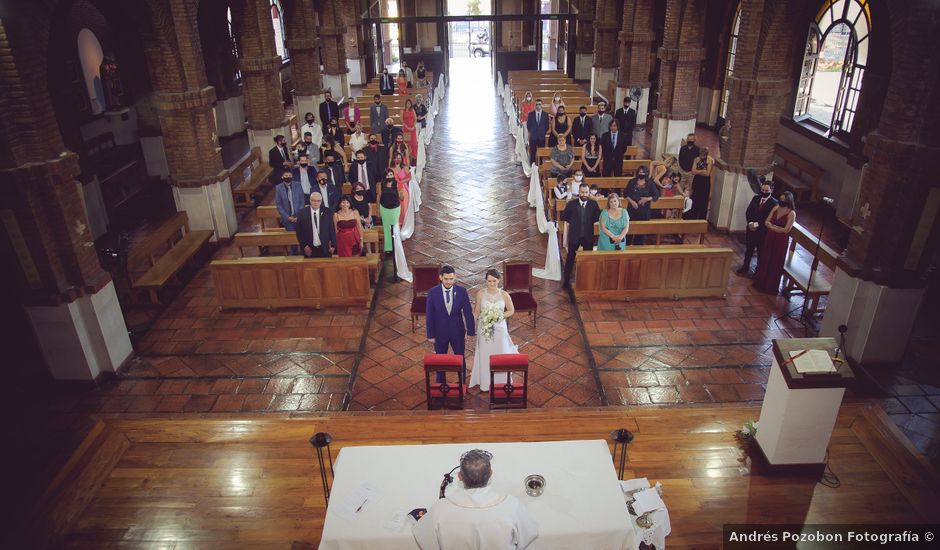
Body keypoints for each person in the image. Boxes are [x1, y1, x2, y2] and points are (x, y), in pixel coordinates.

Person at [413, 449, 539, 550]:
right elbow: (528, 534)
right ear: (490, 474)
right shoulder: (512, 506)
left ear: (460, 476)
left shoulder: (440, 509)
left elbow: (424, 538)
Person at [424, 265, 475, 384]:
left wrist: (470, 331)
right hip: (439, 332)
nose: (449, 282)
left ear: (455, 277)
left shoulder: (462, 291)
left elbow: (467, 312)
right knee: (440, 360)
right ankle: (440, 384)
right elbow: (429, 315)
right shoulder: (432, 292)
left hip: (457, 331)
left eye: (451, 279)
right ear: (440, 277)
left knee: (460, 357)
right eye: (446, 279)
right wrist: (430, 335)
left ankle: (462, 383)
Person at [469, 269, 518, 392]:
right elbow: (476, 311)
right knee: (486, 353)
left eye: (494, 281)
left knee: (500, 352)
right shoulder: (481, 293)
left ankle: (501, 381)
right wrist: (469, 324)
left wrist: (499, 315)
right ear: (486, 281)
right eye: (489, 281)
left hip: (500, 329)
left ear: (499, 280)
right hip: (484, 328)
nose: (491, 284)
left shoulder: (504, 295)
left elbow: (511, 310)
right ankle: (485, 381)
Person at [753, 191, 796, 294]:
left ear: (789, 201)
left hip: (780, 240)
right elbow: (766, 222)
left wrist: (773, 227)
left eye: (784, 201)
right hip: (770, 237)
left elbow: (786, 230)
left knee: (775, 261)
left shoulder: (791, 213)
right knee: (766, 258)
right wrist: (774, 227)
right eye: (780, 200)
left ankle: (770, 287)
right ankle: (760, 284)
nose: (781, 202)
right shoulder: (776, 208)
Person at [560, 183, 601, 289]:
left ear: (589, 192)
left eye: (586, 192)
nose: (584, 194)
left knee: (588, 258)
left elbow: (597, 217)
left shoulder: (593, 204)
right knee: (570, 258)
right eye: (582, 192)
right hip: (574, 235)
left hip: (588, 235)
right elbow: (564, 217)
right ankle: (566, 281)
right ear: (579, 192)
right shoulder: (571, 204)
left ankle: (587, 280)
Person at [738, 180, 778, 276]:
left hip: (762, 232)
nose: (764, 192)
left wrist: (755, 225)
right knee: (749, 250)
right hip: (751, 229)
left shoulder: (774, 203)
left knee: (761, 252)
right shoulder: (756, 198)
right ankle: (745, 267)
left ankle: (758, 271)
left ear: (771, 190)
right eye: (762, 190)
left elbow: (768, 219)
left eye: (766, 191)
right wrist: (750, 223)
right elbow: (748, 212)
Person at [622, 166, 660, 245]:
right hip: (632, 211)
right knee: (628, 232)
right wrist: (632, 202)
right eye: (640, 172)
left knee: (641, 235)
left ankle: (637, 250)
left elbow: (656, 195)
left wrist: (647, 199)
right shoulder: (632, 182)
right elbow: (625, 193)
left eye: (643, 172)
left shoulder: (650, 184)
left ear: (646, 174)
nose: (641, 174)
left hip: (644, 212)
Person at [295, 192, 336, 258]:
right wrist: (304, 246)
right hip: (309, 248)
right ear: (310, 201)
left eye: (318, 201)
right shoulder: (302, 213)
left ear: (321, 201)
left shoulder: (328, 212)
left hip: (325, 248)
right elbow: (299, 232)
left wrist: (333, 245)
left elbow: (332, 230)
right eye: (313, 200)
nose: (316, 203)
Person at [274, 171, 304, 249]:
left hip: (298, 216)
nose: (288, 177)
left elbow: (302, 201)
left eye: (289, 175)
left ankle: (303, 253)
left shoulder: (298, 185)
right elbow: (279, 204)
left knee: (302, 236)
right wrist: (287, 217)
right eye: (286, 175)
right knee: (291, 238)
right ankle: (294, 254)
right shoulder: (278, 188)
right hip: (288, 218)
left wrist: (298, 215)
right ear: (282, 177)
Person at [378, 169, 403, 253]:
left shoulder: (397, 184)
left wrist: (402, 194)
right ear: (385, 176)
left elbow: (401, 197)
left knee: (395, 226)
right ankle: (388, 248)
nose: (389, 177)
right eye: (388, 175)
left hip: (395, 208)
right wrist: (378, 210)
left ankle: (397, 244)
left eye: (391, 175)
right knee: (386, 228)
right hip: (384, 208)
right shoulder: (380, 184)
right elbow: (379, 196)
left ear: (393, 175)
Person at [687, 146, 714, 220]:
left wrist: (698, 171)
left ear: (706, 155)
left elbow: (707, 173)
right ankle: (692, 218)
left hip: (705, 182)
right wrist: (702, 171)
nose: (700, 156)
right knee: (695, 199)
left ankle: (701, 220)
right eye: (700, 155)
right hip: (697, 181)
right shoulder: (696, 159)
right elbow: (693, 171)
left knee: (703, 201)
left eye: (702, 155)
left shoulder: (710, 161)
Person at [526, 99, 549, 165]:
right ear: (535, 105)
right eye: (537, 104)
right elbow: (528, 125)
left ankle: (541, 165)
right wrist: (533, 132)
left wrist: (543, 132)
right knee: (533, 152)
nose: (538, 106)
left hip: (541, 136)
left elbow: (547, 126)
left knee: (541, 152)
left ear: (542, 105)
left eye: (539, 104)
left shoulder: (545, 114)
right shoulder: (531, 114)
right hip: (533, 136)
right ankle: (532, 166)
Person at [390, 152, 411, 225]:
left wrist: (401, 181)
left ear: (402, 159)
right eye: (396, 158)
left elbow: (409, 177)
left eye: (399, 158)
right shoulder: (391, 169)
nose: (398, 159)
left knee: (404, 205)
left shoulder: (405, 168)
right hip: (395, 189)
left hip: (404, 188)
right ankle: (398, 222)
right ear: (393, 159)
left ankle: (405, 222)